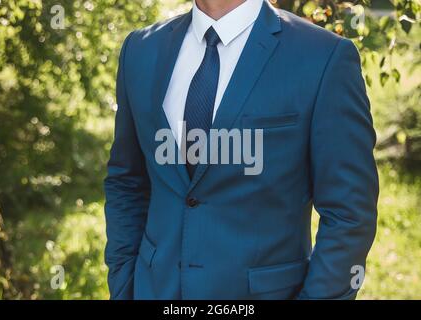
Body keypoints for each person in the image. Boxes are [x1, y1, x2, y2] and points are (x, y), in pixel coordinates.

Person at [104, 0, 379, 300]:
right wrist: (123, 283)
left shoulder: (323, 57)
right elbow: (126, 182)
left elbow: (350, 212)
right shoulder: (141, 50)